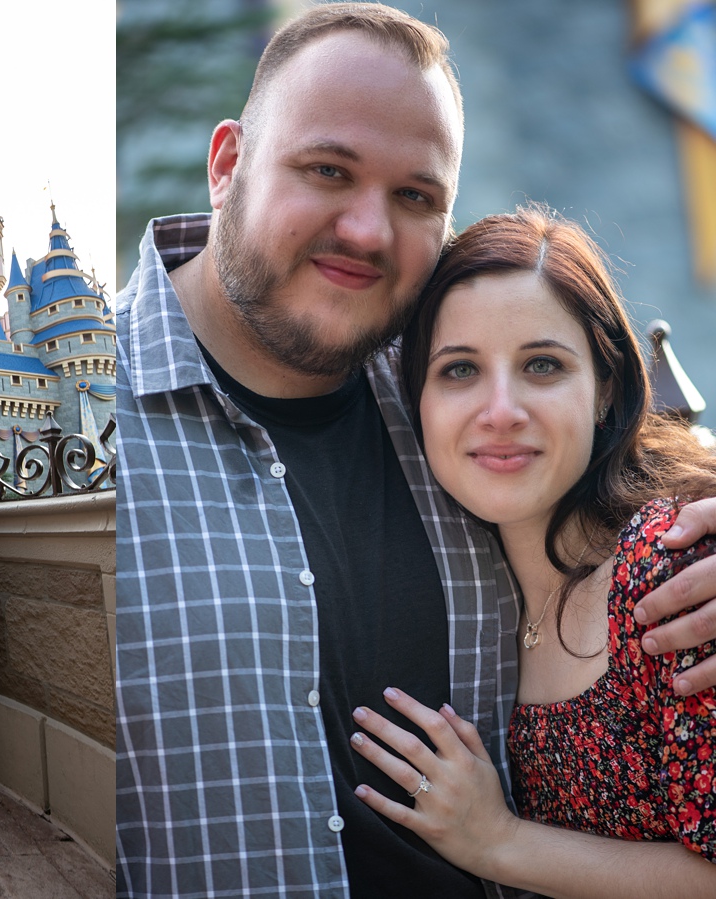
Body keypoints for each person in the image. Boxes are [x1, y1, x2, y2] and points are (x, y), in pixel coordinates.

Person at [115, 4, 716, 896]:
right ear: (227, 162)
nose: (367, 231)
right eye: (327, 169)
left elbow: (643, 458)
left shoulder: (445, 390)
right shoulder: (105, 416)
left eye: (416, 196)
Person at [346, 205, 716, 894]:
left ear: (606, 388)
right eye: (459, 370)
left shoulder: (671, 572)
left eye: (542, 364)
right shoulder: (471, 583)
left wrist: (498, 842)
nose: (501, 409)